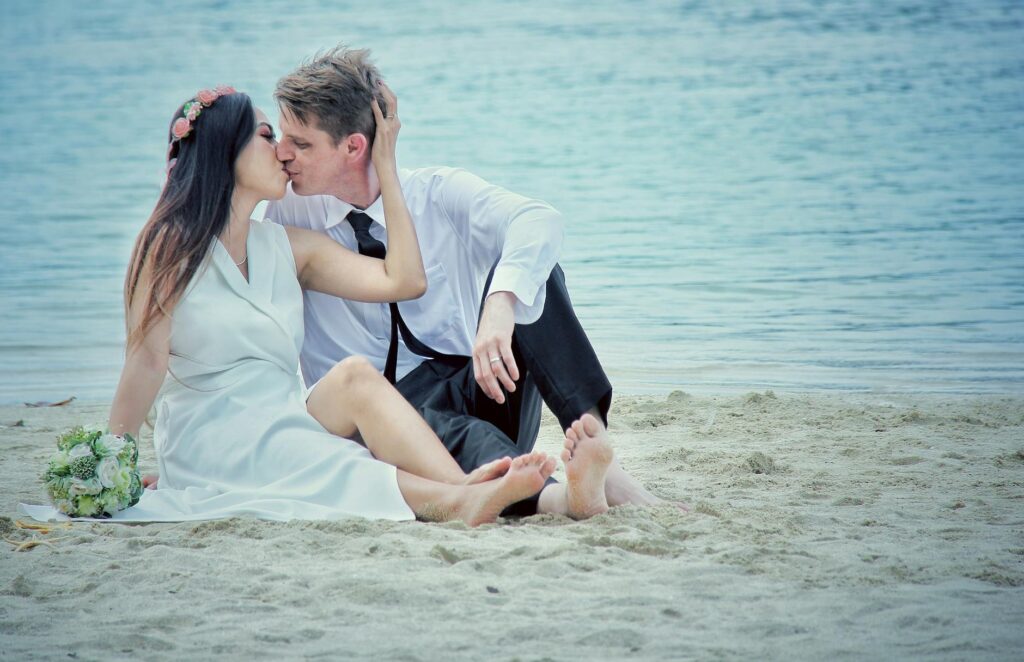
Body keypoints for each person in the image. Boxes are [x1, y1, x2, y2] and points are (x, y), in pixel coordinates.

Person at [29, 83, 587, 526]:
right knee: (338, 464)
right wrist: (117, 461)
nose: (282, 151)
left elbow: (405, 279)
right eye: (266, 135)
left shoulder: (285, 246)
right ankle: (461, 497)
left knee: (353, 378)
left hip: (285, 416)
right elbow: (145, 361)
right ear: (226, 154)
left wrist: (386, 166)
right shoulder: (167, 247)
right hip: (212, 431)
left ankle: (466, 491)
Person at [265, 46, 679, 518]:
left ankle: (594, 441)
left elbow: (539, 220)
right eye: (282, 137)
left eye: (300, 143)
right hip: (378, 421)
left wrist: (500, 304)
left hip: (477, 387)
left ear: (354, 147)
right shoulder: (288, 214)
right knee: (454, 427)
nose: (283, 153)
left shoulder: (436, 194)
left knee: (534, 275)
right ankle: (560, 497)